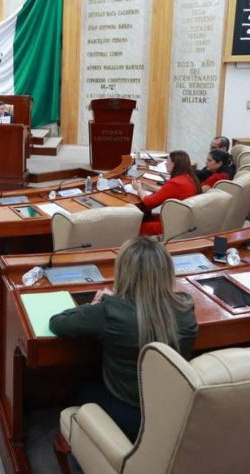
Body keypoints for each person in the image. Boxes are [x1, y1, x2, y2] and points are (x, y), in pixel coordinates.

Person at [49, 236, 197, 442]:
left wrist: (92, 307)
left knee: (76, 386)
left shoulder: (111, 310)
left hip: (128, 412)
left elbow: (57, 323)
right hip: (172, 407)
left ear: (123, 272)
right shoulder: (186, 307)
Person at [134, 150, 201, 236]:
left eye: (168, 160)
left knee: (133, 226)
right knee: (144, 217)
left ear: (174, 164)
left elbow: (149, 202)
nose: (165, 163)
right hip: (183, 221)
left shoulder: (176, 182)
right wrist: (147, 186)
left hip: (171, 226)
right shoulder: (190, 177)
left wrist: (139, 189)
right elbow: (168, 191)